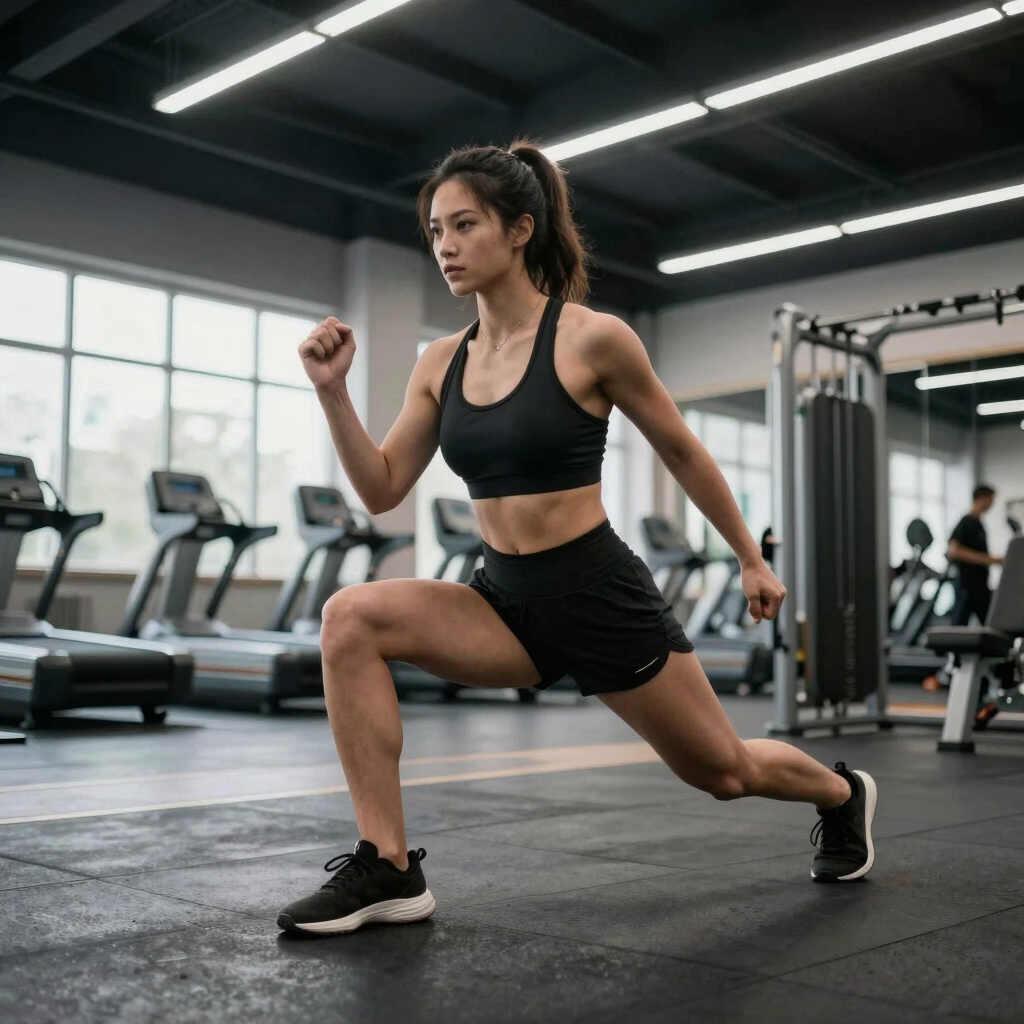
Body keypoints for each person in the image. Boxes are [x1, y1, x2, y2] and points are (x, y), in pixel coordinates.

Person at [277, 142, 877, 936]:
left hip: (597, 594)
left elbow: (682, 451)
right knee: (350, 616)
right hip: (502, 601)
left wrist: (749, 558)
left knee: (723, 772)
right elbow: (384, 485)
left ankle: (843, 795)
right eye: (434, 231)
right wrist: (333, 395)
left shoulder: (593, 339)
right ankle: (388, 866)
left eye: (464, 225)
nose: (445, 246)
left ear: (520, 229)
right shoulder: (438, 362)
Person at [948, 484, 1003, 628]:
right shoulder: (966, 523)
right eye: (990, 500)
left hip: (980, 586)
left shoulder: (979, 524)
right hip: (967, 585)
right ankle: (953, 650)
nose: (992, 504)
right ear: (981, 499)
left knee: (991, 625)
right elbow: (954, 551)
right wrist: (990, 560)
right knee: (959, 626)